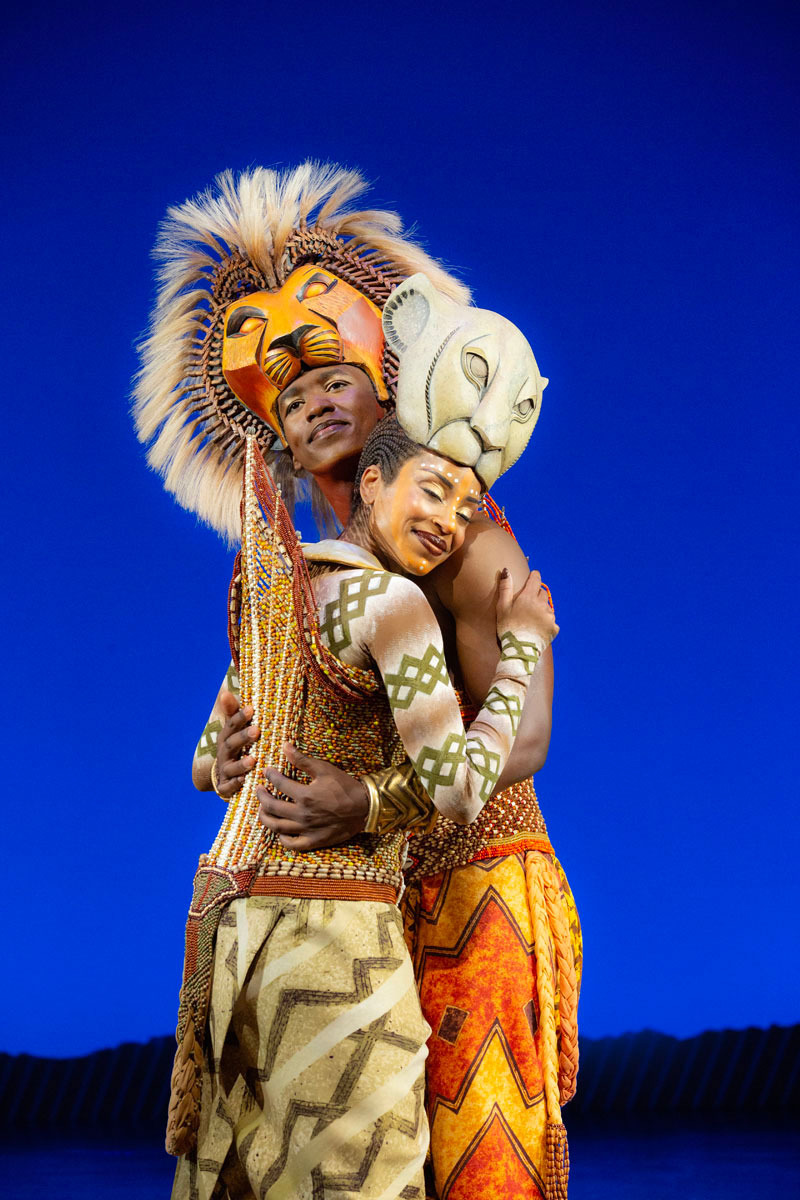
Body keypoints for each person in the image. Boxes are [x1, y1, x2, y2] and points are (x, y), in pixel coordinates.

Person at [134, 166, 579, 1200]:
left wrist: (365, 802)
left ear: (384, 372)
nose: (311, 386)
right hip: (351, 905)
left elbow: (529, 733)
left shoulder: (454, 528)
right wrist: (228, 754)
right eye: (287, 386)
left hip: (475, 889)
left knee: (481, 1171)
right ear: (269, 423)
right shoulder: (311, 565)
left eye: (334, 369)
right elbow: (234, 725)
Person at [170, 414, 557, 1199]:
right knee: (367, 1177)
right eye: (433, 490)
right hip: (334, 936)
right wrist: (518, 648)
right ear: (372, 484)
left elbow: (206, 762)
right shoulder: (392, 604)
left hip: (230, 921)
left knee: (243, 1177)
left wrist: (234, 762)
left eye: (464, 506)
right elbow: (457, 784)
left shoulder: (281, 590)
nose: (449, 520)